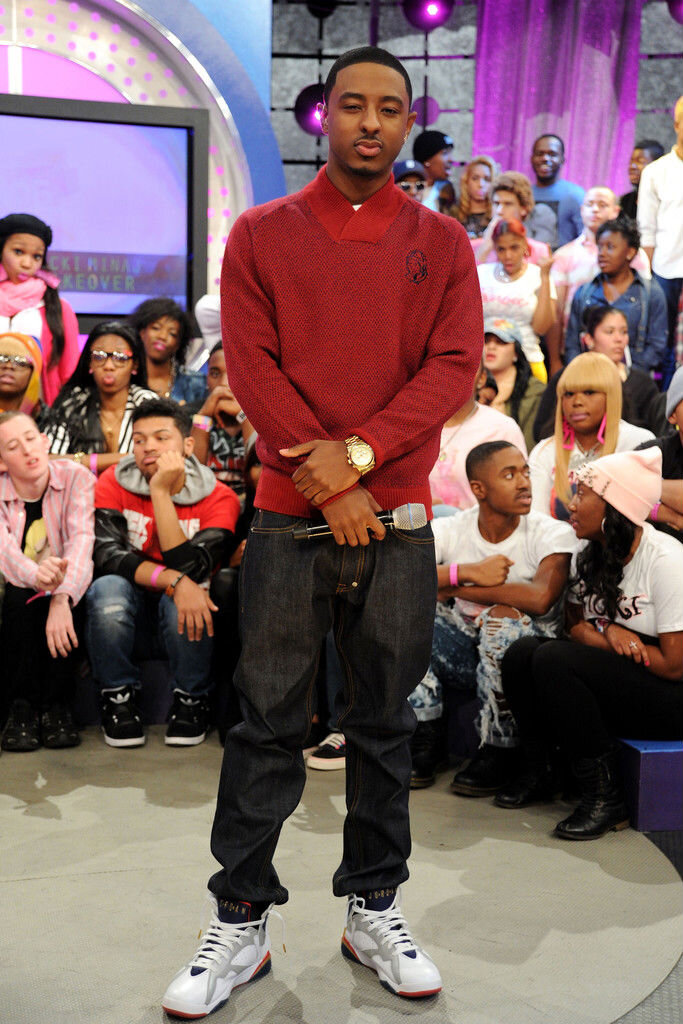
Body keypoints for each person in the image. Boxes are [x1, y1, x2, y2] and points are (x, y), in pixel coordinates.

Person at [162, 46, 482, 1018]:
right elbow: (253, 365)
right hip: (289, 518)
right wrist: (326, 475)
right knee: (265, 721)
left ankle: (372, 908)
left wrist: (356, 459)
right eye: (352, 105)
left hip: (397, 518)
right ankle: (241, 918)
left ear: (404, 121)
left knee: (384, 724)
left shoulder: (440, 241)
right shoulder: (262, 232)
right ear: (323, 116)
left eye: (388, 108)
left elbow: (452, 366)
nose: (370, 123)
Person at [497, 448, 683, 839]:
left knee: (554, 659)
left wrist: (598, 640)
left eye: (582, 494)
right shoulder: (592, 553)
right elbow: (576, 623)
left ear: (615, 506)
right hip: (629, 670)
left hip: (671, 694)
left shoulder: (666, 559)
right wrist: (608, 631)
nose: (571, 504)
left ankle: (605, 796)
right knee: (522, 654)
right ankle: (541, 770)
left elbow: (674, 666)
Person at [409, 441, 576, 791]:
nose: (524, 482)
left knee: (502, 618)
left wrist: (457, 588)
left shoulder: (552, 532)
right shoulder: (453, 527)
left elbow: (540, 598)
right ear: (479, 489)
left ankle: (500, 747)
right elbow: (405, 576)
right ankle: (425, 735)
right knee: (407, 612)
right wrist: (469, 571)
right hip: (466, 650)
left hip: (525, 661)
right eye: (509, 475)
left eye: (525, 472)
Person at [85, 398, 240, 748]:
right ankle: (118, 698)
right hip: (130, 607)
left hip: (183, 614)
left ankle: (192, 699)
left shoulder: (220, 497)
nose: (148, 447)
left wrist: (159, 491)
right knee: (107, 589)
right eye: (139, 440)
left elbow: (192, 569)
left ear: (188, 445)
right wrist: (171, 579)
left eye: (161, 437)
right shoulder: (113, 481)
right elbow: (107, 554)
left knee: (186, 596)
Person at [0, 411, 94, 751]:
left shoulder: (76, 477)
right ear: (2, 461)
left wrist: (61, 596)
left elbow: (82, 542)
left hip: (67, 583)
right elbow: (5, 553)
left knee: (74, 602)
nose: (27, 450)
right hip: (17, 585)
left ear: (44, 441)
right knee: (17, 599)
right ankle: (21, 708)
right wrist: (36, 576)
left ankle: (58, 708)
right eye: (13, 446)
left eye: (30, 439)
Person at [529, 353, 654, 519]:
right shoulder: (543, 452)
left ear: (611, 396)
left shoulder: (639, 443)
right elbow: (536, 519)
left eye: (589, 392)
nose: (577, 402)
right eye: (569, 394)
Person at [547, 187, 651, 376]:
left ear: (616, 211)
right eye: (589, 204)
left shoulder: (636, 255)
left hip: (630, 357)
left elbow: (647, 301)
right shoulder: (563, 256)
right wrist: (555, 360)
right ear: (581, 210)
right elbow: (556, 312)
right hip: (577, 352)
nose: (595, 210)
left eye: (602, 205)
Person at [534, 306, 669, 441]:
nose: (619, 339)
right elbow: (542, 430)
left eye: (624, 332)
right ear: (589, 339)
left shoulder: (643, 383)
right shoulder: (568, 377)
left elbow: (657, 435)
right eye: (609, 332)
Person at [44, 321, 156, 473]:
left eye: (120, 358)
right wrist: (124, 459)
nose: (108, 366)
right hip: (82, 486)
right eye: (99, 357)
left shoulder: (148, 404)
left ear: (135, 365)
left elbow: (158, 457)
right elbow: (47, 459)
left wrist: (81, 461)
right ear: (89, 363)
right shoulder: (74, 402)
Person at [564, 216, 668, 374]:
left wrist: (628, 376)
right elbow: (573, 343)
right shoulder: (584, 293)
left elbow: (656, 346)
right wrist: (583, 373)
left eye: (610, 247)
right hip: (588, 376)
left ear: (630, 252)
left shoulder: (650, 293)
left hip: (633, 380)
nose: (602, 253)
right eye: (600, 247)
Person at [0, 213, 80, 404]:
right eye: (18, 252)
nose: (27, 263)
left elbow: (69, 372)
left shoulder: (58, 308)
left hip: (39, 411)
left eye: (36, 256)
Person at [430, 357, 527, 514]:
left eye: (464, 366)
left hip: (483, 528)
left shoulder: (502, 428)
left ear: (482, 378)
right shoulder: (415, 424)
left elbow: (519, 494)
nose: (454, 373)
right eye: (447, 365)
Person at [637, 96, 683, 386]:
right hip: (665, 269)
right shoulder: (656, 172)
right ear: (676, 125)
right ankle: (666, 401)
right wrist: (648, 277)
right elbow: (647, 229)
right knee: (664, 344)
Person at [477, 218, 556, 382]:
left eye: (514, 248)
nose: (508, 256)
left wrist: (545, 277)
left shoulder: (538, 275)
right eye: (501, 249)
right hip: (485, 363)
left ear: (525, 245)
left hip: (528, 359)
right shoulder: (482, 274)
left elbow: (541, 328)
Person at [190, 341, 254, 506]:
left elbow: (256, 472)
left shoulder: (262, 416)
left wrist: (243, 416)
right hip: (205, 506)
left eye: (234, 372)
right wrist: (205, 415)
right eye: (215, 373)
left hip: (251, 509)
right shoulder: (194, 414)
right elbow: (193, 474)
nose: (224, 383)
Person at [482, 317, 546, 452]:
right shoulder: (466, 387)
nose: (491, 347)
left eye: (501, 342)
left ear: (516, 353)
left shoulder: (535, 391)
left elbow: (530, 444)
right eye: (486, 341)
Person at [128, 297, 206, 405]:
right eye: (156, 328)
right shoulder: (126, 379)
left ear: (179, 343)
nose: (162, 336)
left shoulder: (196, 383)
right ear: (142, 332)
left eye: (172, 333)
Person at [638, 364, 683, 540]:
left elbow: (630, 486)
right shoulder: (654, 453)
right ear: (672, 415)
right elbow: (612, 488)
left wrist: (649, 488)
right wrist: (671, 517)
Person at [472, 171, 552, 266]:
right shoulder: (472, 247)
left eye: (508, 204)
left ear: (524, 208)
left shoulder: (539, 250)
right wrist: (484, 248)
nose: (499, 211)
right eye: (496, 204)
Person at [530, 134, 584, 249]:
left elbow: (585, 239)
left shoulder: (575, 195)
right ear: (532, 159)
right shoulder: (524, 194)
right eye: (539, 154)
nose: (545, 158)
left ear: (562, 160)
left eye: (552, 154)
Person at [0, 332, 43, 417]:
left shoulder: (48, 421)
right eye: (1, 359)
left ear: (33, 373)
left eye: (20, 361)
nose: (8, 366)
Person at [412, 129, 455, 213]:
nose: (451, 159)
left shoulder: (446, 190)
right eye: (445, 153)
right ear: (426, 159)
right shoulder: (406, 188)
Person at [620, 139, 664, 222]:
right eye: (631, 161)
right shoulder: (627, 199)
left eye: (640, 161)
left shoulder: (665, 199)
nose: (632, 166)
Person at [453, 156, 495, 238]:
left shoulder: (497, 215)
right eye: (475, 178)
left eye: (487, 179)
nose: (481, 184)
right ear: (466, 181)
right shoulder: (453, 214)